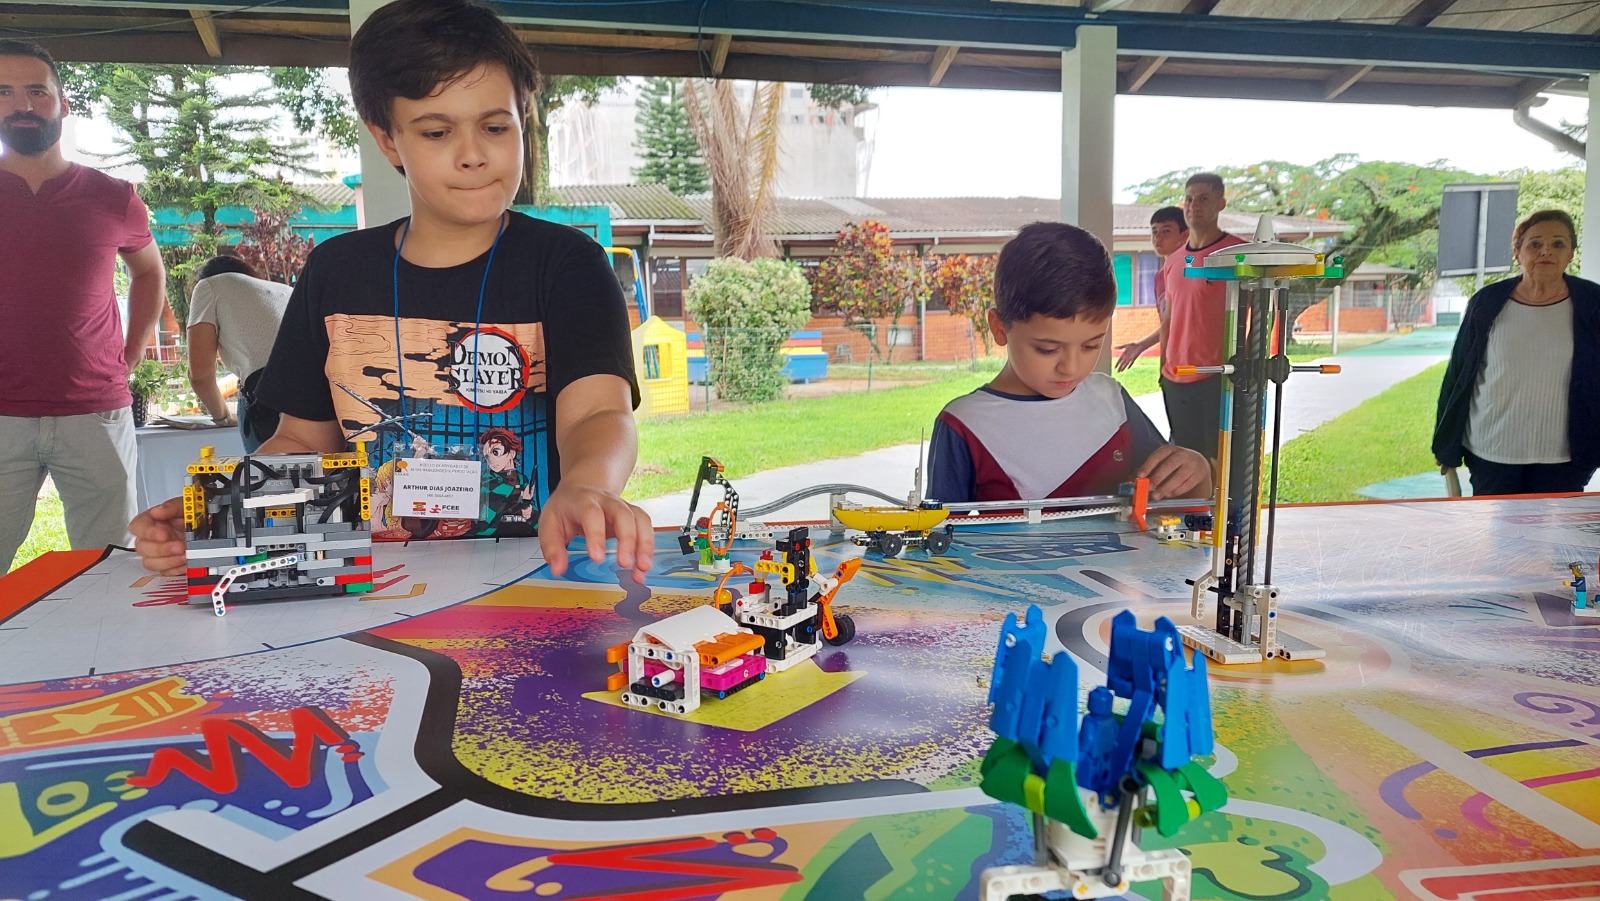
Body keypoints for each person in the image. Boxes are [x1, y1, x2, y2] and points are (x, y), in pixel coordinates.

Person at [128, 0, 652, 582]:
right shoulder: (337, 271)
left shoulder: (568, 264)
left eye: (496, 126)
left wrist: (587, 484)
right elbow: (302, 439)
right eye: (436, 131)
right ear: (388, 141)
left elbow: (597, 413)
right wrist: (224, 512)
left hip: (533, 576)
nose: (474, 154)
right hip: (364, 582)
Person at [0, 40, 165, 571]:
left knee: (113, 568)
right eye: (3, 92)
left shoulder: (114, 196)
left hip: (95, 412)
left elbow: (149, 271)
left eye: (36, 91)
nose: (21, 104)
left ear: (63, 103)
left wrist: (133, 350)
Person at [927, 221, 1212, 504]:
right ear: (1000, 328)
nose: (1072, 367)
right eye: (1048, 349)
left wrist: (1197, 475)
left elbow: (1172, 503)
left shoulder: (1112, 401)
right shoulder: (964, 424)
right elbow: (938, 538)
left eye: (1092, 345)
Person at [1433, 209, 1600, 496]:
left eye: (1558, 244)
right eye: (1535, 244)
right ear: (1517, 252)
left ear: (1571, 252)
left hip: (1565, 457)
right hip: (1492, 451)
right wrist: (1445, 442)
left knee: (1561, 540)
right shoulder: (1487, 303)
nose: (1546, 251)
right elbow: (1459, 374)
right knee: (1500, 541)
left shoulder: (1593, 303)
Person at [1159, 173, 1246, 458]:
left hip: (1218, 377)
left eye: (1204, 199)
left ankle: (1226, 505)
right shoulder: (1173, 261)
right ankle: (1193, 506)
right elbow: (1169, 319)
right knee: (1187, 463)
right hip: (1175, 379)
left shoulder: (1239, 254)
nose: (1194, 205)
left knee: (1221, 462)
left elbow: (1261, 314)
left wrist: (1247, 366)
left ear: (1221, 203)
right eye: (1189, 199)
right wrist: (1163, 369)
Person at [185, 255, 293, 452]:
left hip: (268, 403)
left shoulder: (208, 286)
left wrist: (223, 417)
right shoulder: (285, 290)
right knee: (321, 479)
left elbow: (199, 375)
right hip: (323, 398)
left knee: (269, 480)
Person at [1113, 205, 1189, 372]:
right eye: (1155, 232)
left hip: (1193, 364)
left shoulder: (1192, 274)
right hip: (1170, 364)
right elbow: (1168, 324)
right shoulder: (1160, 277)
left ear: (1185, 235)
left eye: (1166, 232)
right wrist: (1141, 346)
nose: (1158, 238)